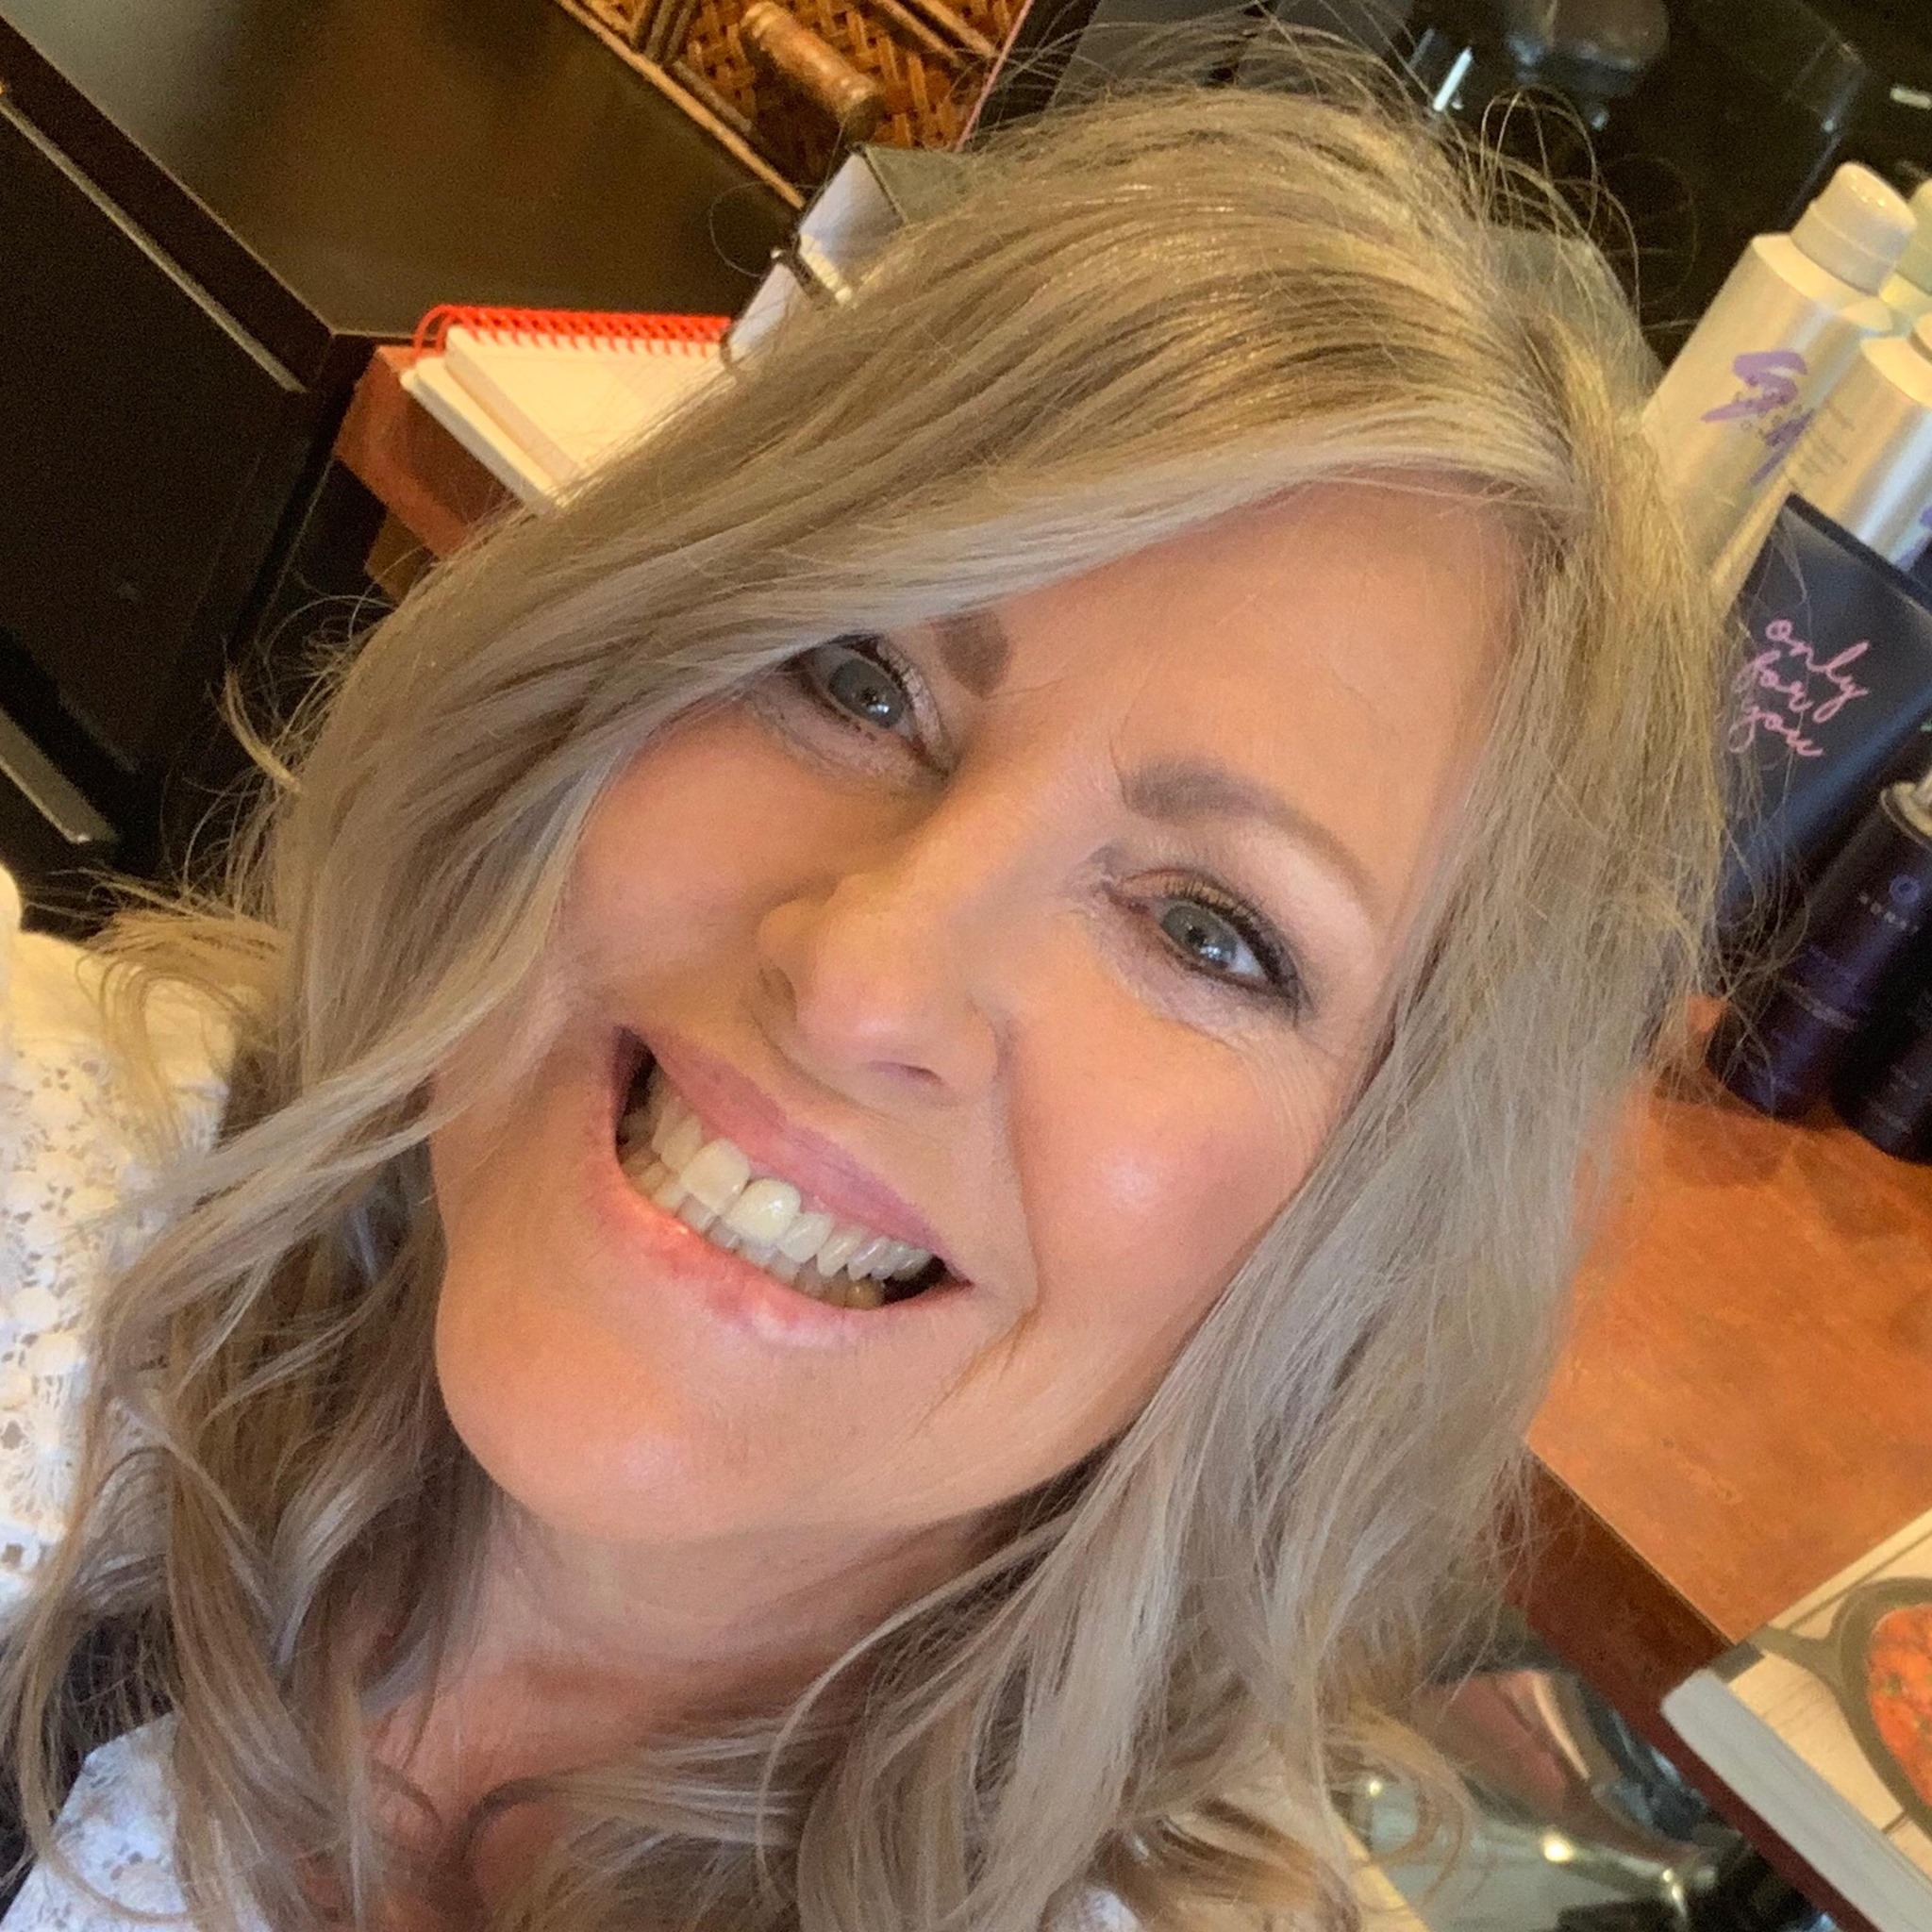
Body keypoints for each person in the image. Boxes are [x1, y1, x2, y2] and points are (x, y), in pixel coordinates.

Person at [0, 44, 1726, 1932]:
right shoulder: (51, 1215)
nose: (859, 976)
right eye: (854, 678)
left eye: (1205, 929)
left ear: (1374, 1222)